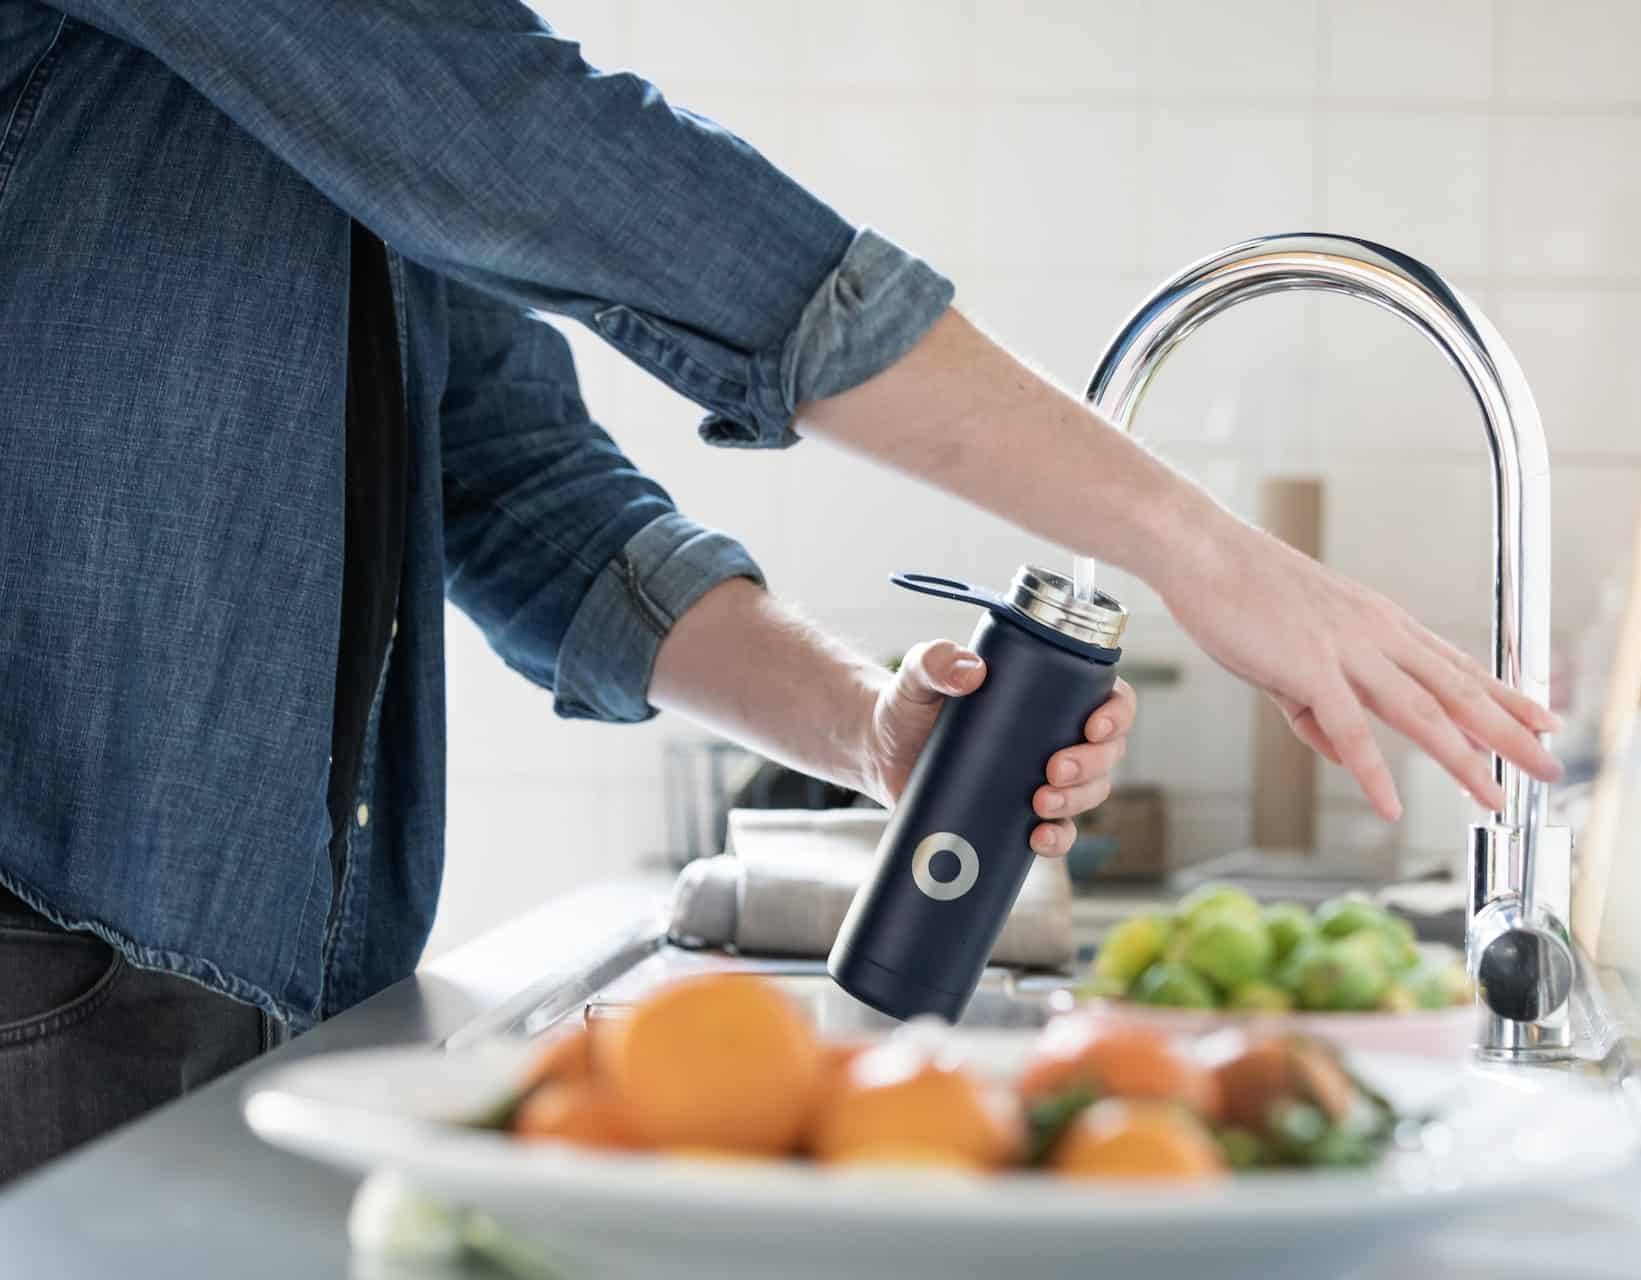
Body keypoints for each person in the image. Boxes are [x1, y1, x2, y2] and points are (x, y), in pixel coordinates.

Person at [0, 2, 1562, 1181]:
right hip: (44, 977)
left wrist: (867, 729)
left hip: (261, 987)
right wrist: (1197, 547)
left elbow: (512, 481)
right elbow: (563, 161)